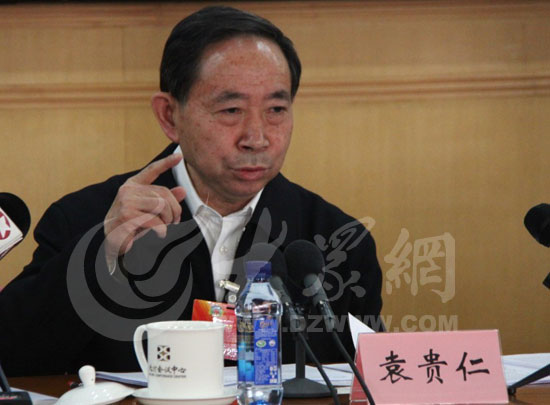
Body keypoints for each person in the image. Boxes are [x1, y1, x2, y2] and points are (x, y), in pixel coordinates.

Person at [0, 6, 382, 376]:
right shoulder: (85, 220)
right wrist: (103, 256)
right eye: (231, 110)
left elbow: (367, 381)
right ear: (170, 116)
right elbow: (13, 358)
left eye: (276, 110)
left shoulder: (336, 242)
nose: (257, 138)